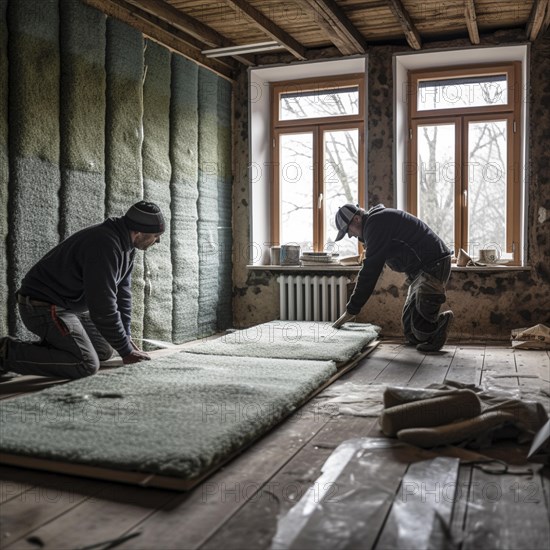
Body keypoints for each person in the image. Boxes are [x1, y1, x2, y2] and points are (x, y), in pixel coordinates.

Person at [0, 201, 165, 379]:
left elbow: (122, 295)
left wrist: (126, 339)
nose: (158, 240)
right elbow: (103, 306)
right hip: (43, 306)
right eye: (156, 235)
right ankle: (5, 352)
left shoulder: (127, 246)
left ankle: (56, 347)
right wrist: (126, 352)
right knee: (85, 364)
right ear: (138, 232)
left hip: (68, 307)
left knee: (103, 350)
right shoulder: (105, 244)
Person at [332, 204, 453, 352]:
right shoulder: (375, 223)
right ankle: (424, 333)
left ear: (357, 219)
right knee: (410, 333)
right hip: (420, 270)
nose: (350, 235)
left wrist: (351, 310)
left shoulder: (375, 224)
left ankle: (440, 325)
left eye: (347, 231)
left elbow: (369, 271)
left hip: (434, 263)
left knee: (421, 331)